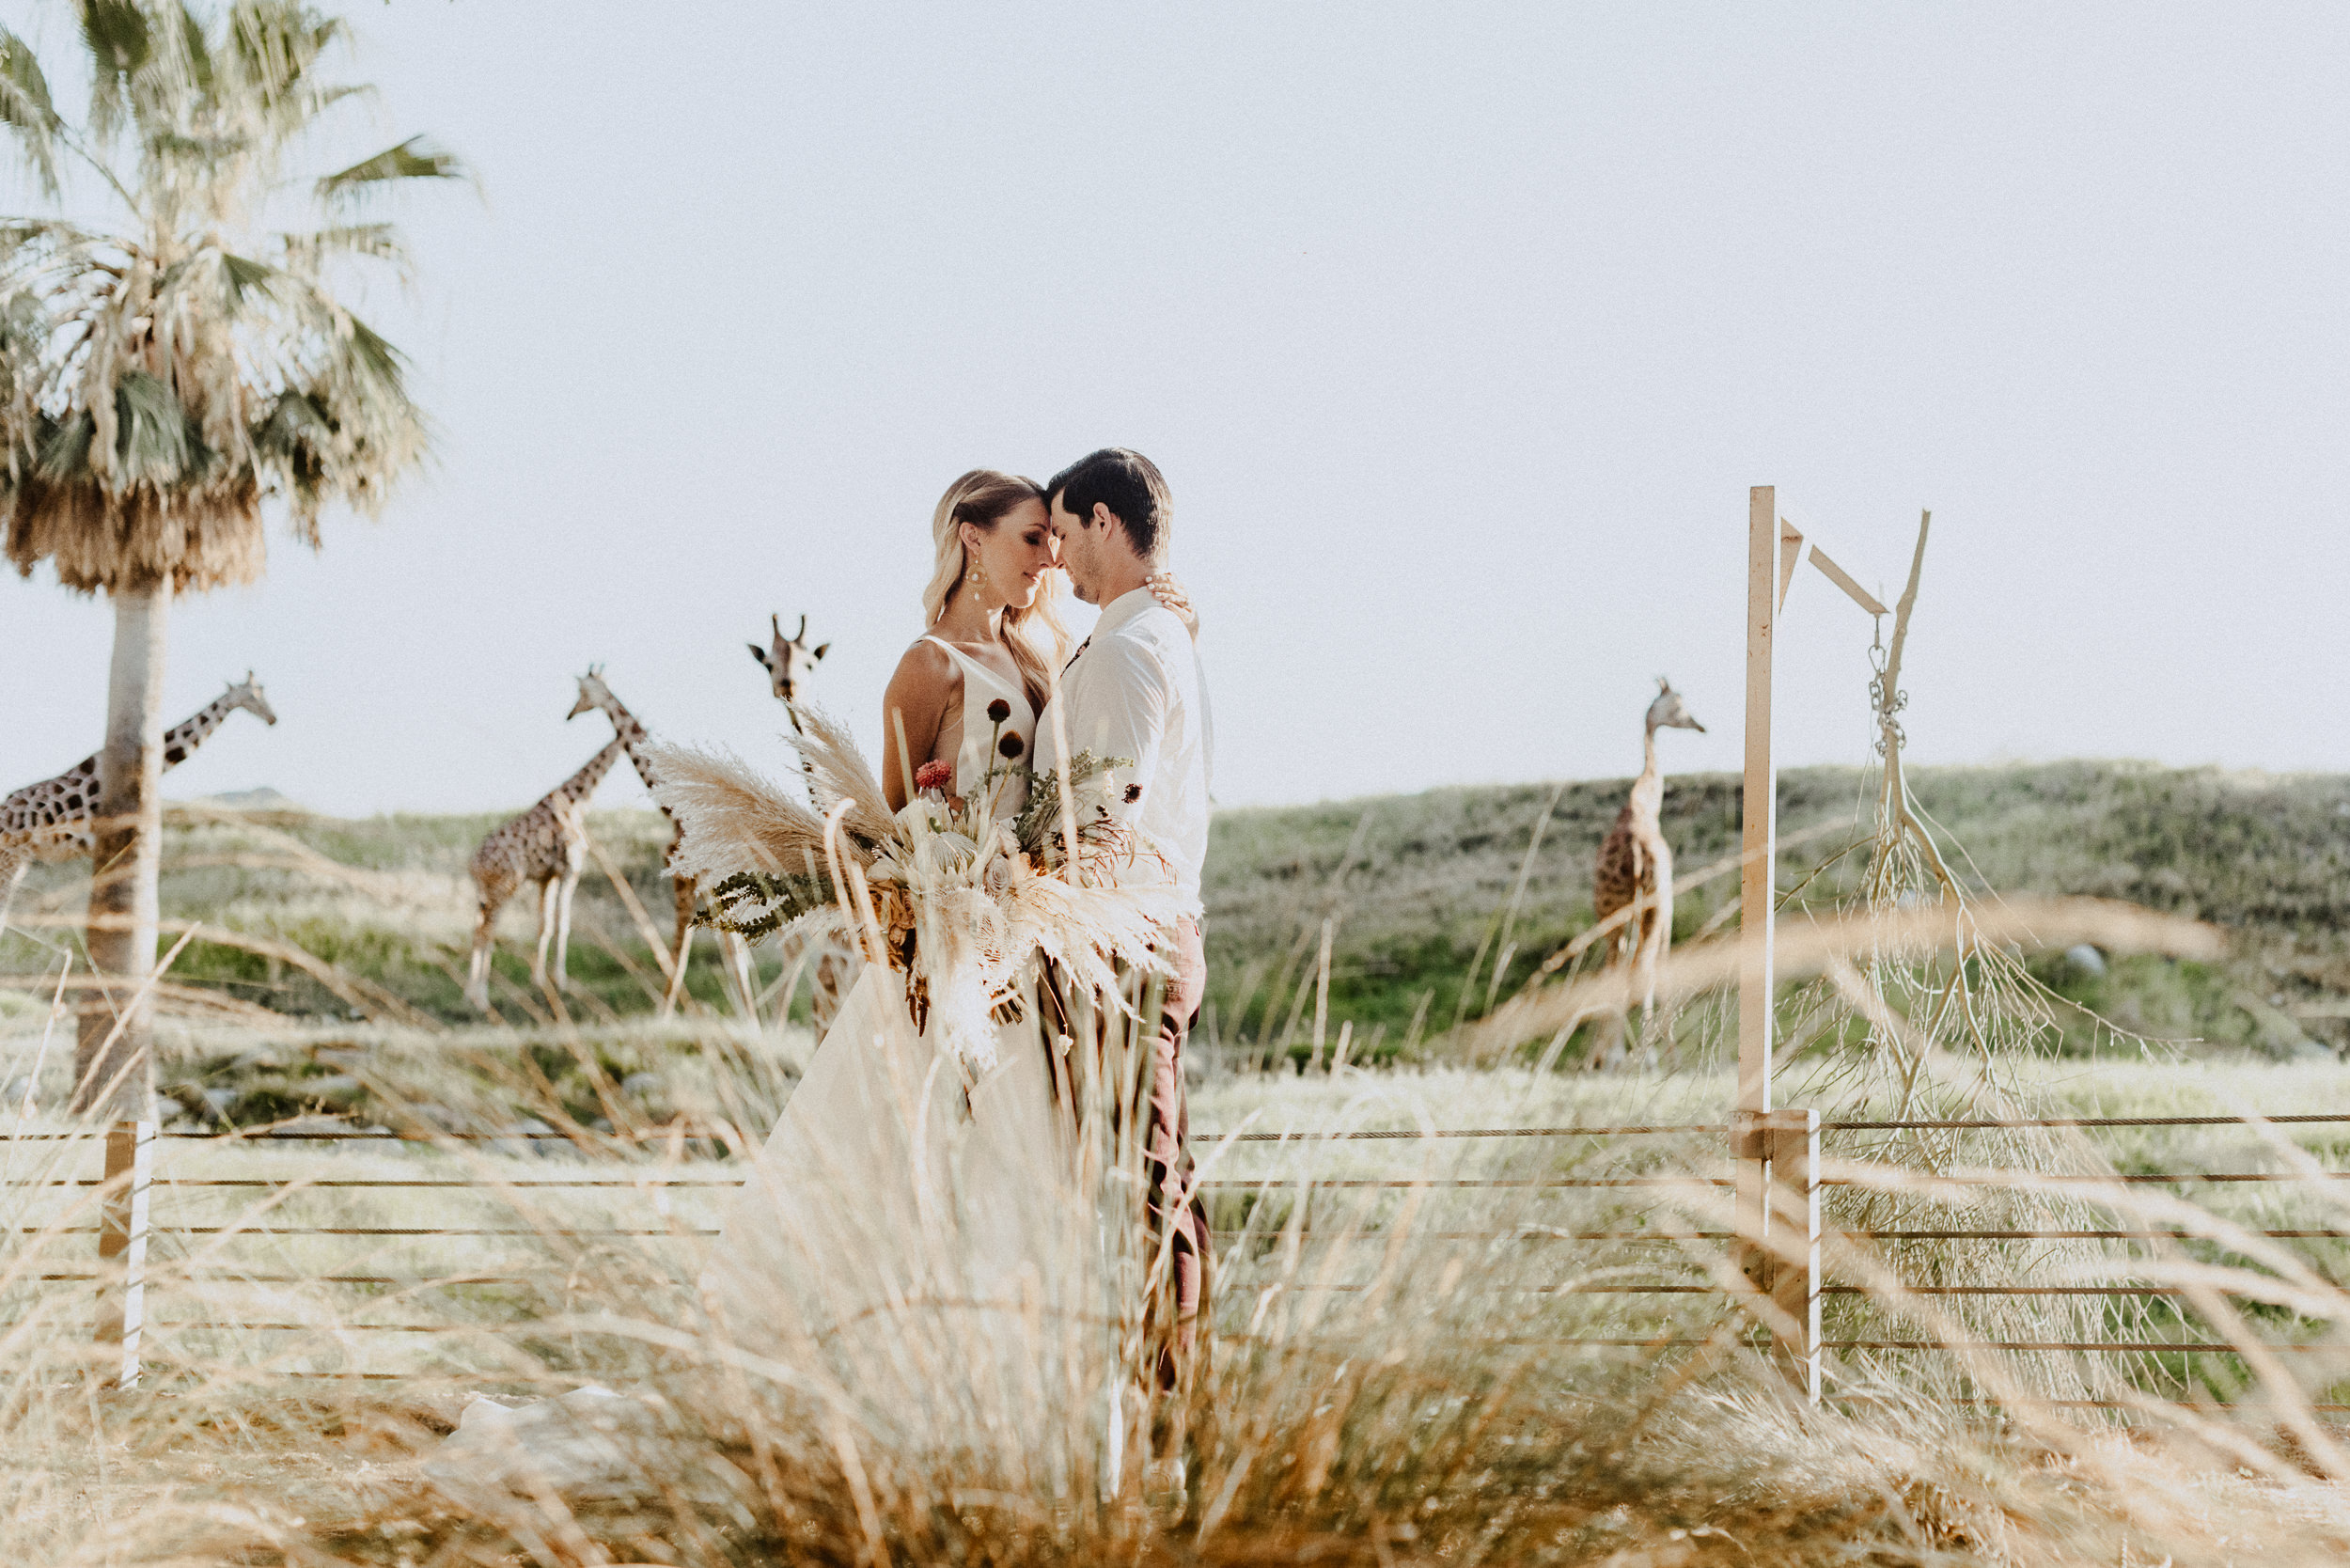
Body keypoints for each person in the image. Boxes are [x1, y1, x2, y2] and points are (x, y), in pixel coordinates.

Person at [1036, 447, 1215, 1447]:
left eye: (1063, 533)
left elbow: (1100, 816)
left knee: (1148, 1177)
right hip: (1152, 934)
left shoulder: (1127, 648)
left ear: (1105, 522)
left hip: (1130, 942)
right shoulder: (1155, 634)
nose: (1056, 559)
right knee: (1164, 1172)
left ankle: (1166, 1412)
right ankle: (1173, 1406)